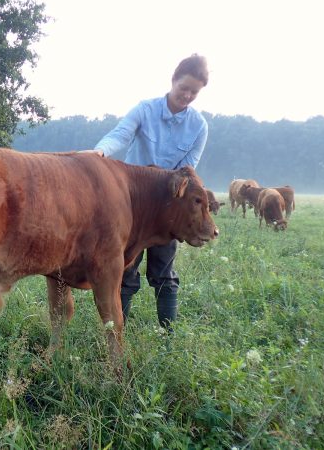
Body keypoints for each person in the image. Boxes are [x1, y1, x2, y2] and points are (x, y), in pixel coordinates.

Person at [93, 54, 210, 330]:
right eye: (184, 87)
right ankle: (117, 332)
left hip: (169, 209)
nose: (188, 95)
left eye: (195, 91)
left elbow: (187, 171)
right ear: (173, 80)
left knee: (164, 272)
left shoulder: (199, 126)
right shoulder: (145, 110)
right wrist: (99, 152)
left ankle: (168, 336)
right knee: (124, 269)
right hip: (132, 204)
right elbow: (121, 135)